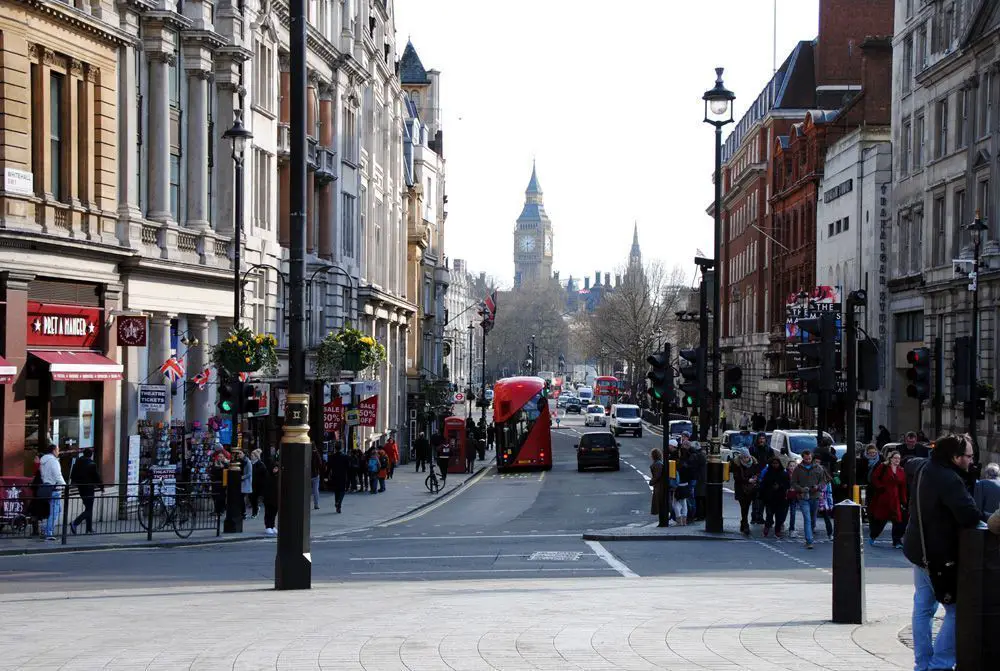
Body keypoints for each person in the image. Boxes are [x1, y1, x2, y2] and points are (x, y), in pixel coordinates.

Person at [903, 433, 986, 671]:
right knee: (955, 610)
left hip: (919, 549)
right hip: (938, 556)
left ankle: (923, 664)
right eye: (969, 456)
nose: (972, 461)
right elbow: (969, 515)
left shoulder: (925, 467)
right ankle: (940, 664)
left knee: (923, 607)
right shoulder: (948, 478)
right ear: (955, 456)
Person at [868, 450, 908, 547]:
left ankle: (897, 541)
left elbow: (902, 486)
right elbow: (875, 477)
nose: (897, 460)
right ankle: (873, 535)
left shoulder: (901, 470)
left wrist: (904, 501)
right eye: (895, 458)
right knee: (881, 520)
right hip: (884, 497)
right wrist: (880, 487)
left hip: (895, 499)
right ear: (890, 459)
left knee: (898, 521)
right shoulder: (884, 467)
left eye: (899, 458)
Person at [790, 449, 828, 550]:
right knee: (807, 519)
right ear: (803, 458)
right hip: (803, 497)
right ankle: (809, 540)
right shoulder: (798, 469)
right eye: (806, 459)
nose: (808, 460)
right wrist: (801, 489)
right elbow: (793, 482)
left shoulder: (818, 468)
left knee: (812, 519)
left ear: (812, 457)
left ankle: (810, 532)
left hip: (815, 496)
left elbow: (823, 481)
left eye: (809, 458)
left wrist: (818, 486)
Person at [69, 447, 102, 535]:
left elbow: (73, 475)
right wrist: (101, 487)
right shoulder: (91, 464)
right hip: (89, 488)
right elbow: (96, 477)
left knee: (88, 508)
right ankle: (75, 523)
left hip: (81, 488)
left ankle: (89, 528)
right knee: (89, 509)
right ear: (91, 455)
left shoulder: (78, 462)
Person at [38, 444, 65, 541]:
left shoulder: (43, 461)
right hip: (55, 488)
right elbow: (58, 475)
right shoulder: (53, 461)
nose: (59, 452)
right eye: (58, 450)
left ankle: (45, 528)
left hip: (47, 487)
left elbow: (42, 475)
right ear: (53, 450)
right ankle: (48, 532)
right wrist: (64, 485)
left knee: (57, 510)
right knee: (54, 512)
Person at [731, 449, 761, 535]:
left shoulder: (754, 463)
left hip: (752, 488)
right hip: (741, 488)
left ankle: (744, 522)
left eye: (747, 457)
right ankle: (745, 523)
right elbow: (737, 477)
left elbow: (758, 473)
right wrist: (748, 480)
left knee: (748, 505)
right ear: (741, 457)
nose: (746, 459)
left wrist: (755, 479)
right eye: (744, 457)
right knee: (744, 506)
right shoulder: (736, 464)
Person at [759, 456, 790, 538]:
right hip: (770, 497)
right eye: (773, 463)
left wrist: (780, 486)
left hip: (781, 498)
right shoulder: (768, 473)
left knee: (779, 516)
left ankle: (777, 530)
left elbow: (787, 485)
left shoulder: (784, 474)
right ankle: (767, 527)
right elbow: (764, 485)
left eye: (776, 463)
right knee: (769, 515)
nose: (775, 465)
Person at [327, 443, 350, 513]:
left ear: (335, 448)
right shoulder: (345, 457)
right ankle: (339, 503)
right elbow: (348, 467)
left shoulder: (332, 457)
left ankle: (337, 504)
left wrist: (327, 475)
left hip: (334, 475)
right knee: (342, 491)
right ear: (341, 448)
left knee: (336, 491)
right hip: (342, 476)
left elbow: (329, 466)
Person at [262, 451, 280, 536]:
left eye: (277, 468)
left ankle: (272, 526)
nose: (275, 470)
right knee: (268, 512)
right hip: (269, 498)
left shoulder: (279, 477)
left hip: (276, 498)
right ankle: (268, 526)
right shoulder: (268, 476)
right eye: (274, 468)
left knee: (274, 512)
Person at [649, 448, 668, 527]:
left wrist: (651, 482)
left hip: (660, 486)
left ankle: (662, 522)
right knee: (660, 504)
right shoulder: (659, 463)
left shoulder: (657, 464)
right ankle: (662, 521)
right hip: (660, 486)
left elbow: (657, 476)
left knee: (660, 504)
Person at [249, 449, 266, 519]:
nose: (251, 456)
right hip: (251, 483)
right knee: (251, 498)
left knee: (254, 498)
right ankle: (256, 508)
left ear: (256, 456)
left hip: (257, 484)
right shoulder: (250, 463)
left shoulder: (260, 464)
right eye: (251, 455)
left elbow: (264, 474)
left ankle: (254, 512)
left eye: (252, 455)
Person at [240, 450, 253, 519]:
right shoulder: (240, 461)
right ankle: (242, 512)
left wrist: (242, 477)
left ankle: (244, 513)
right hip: (240, 482)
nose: (239, 454)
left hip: (245, 482)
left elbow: (250, 473)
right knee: (240, 498)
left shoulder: (248, 462)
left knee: (241, 498)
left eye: (240, 453)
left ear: (244, 454)